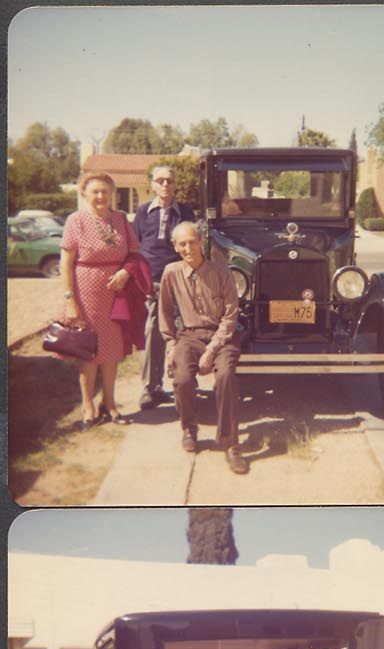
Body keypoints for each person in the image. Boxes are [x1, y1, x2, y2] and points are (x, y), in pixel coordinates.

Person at [159, 222, 249, 474]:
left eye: (192, 241)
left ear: (201, 242)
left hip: (222, 337)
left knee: (225, 376)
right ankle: (189, 428)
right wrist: (170, 344)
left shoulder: (222, 272)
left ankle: (231, 444)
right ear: (176, 247)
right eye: (182, 244)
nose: (188, 248)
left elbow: (231, 317)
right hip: (188, 335)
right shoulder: (171, 272)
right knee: (183, 378)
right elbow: (164, 311)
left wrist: (212, 349)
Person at [60, 173, 140, 429]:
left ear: (112, 194)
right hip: (86, 294)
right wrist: (70, 300)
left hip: (116, 295)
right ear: (84, 194)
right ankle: (88, 407)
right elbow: (65, 263)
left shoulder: (120, 219)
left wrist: (126, 271)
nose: (100, 196)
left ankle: (110, 403)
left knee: (112, 351)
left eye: (105, 191)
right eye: (95, 191)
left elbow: (135, 253)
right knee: (89, 351)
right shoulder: (76, 221)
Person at [133, 165, 194, 410]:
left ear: (175, 184)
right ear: (153, 185)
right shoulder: (142, 212)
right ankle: (150, 388)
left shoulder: (186, 212)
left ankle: (184, 387)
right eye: (160, 180)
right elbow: (134, 248)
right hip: (152, 283)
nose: (165, 185)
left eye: (169, 180)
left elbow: (192, 247)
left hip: (180, 283)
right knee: (152, 335)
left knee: (183, 335)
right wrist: (141, 281)